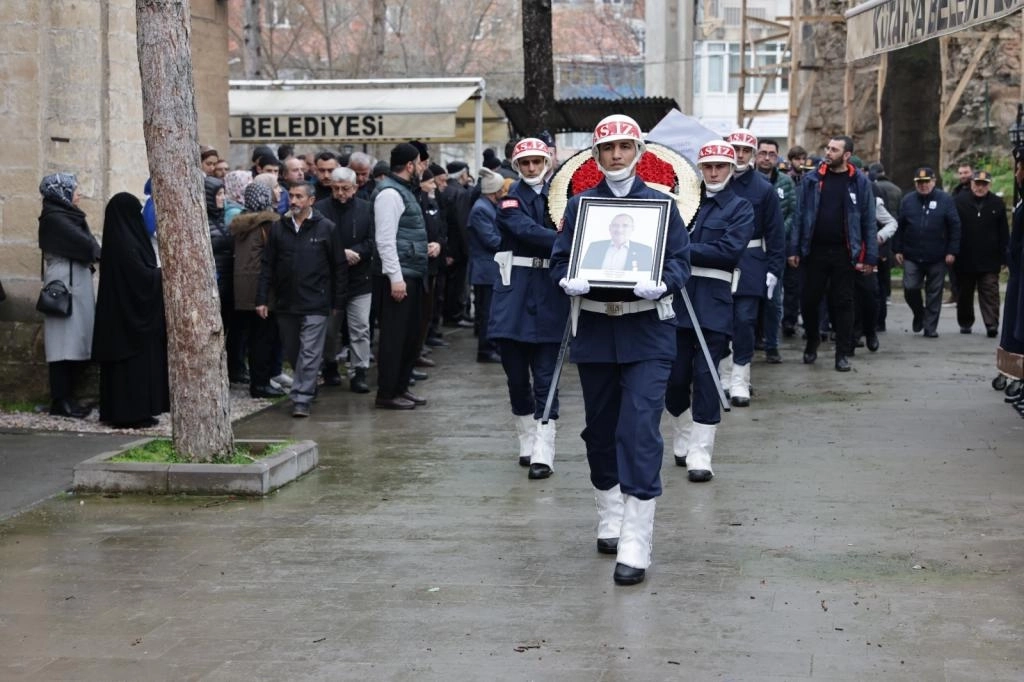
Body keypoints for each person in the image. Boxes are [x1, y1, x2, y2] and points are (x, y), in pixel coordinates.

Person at [550, 114, 690, 586]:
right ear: (595, 156)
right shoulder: (580, 207)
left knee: (640, 429)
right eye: (608, 149)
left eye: (625, 147)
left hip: (647, 331)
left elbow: (681, 261)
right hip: (595, 329)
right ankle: (610, 510)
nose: (616, 156)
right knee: (601, 431)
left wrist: (664, 282)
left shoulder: (662, 205)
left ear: (639, 152)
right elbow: (558, 260)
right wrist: (567, 279)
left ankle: (636, 537)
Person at [666, 140, 753, 482]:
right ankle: (683, 429)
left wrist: (681, 248)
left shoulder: (740, 207)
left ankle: (701, 451)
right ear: (700, 169)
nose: (714, 173)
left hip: (712, 304)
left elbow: (728, 250)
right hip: (676, 300)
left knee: (705, 377)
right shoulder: (684, 202)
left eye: (720, 167)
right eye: (708, 167)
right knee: (674, 379)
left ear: (731, 169)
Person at [490, 138, 568, 479]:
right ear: (516, 165)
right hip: (516, 293)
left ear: (547, 163)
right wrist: (569, 239)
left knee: (547, 376)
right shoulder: (509, 199)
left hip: (550, 291)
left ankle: (543, 447)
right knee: (516, 375)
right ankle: (526, 437)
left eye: (537, 161)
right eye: (525, 163)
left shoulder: (563, 198)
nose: (532, 168)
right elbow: (524, 229)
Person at [256, 181, 347, 417]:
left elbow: (338, 267)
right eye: (291, 196)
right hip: (286, 302)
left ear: (311, 201)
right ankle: (308, 384)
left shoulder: (326, 228)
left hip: (316, 301)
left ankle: (301, 398)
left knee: (310, 351)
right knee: (294, 351)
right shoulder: (279, 228)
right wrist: (262, 298)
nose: (294, 201)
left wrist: (338, 302)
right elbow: (267, 265)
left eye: (299, 196)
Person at [790, 135, 877, 371]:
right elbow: (799, 216)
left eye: (834, 150)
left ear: (847, 155)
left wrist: (869, 257)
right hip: (814, 251)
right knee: (809, 301)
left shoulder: (859, 182)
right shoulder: (812, 179)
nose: (828, 153)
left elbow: (868, 221)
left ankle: (842, 353)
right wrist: (794, 248)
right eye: (828, 148)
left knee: (844, 303)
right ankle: (812, 340)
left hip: (844, 252)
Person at [92, 192, 169, 428]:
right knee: (132, 368)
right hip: (129, 320)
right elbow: (139, 277)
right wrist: (164, 274)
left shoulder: (120, 239)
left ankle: (131, 411)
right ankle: (130, 414)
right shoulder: (125, 244)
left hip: (121, 319)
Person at [722, 128, 784, 406]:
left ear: (753, 154)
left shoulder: (763, 188)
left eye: (745, 150)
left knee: (745, 321)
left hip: (751, 261)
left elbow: (775, 232)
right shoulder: (714, 181)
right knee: (720, 322)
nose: (739, 155)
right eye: (735, 149)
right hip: (718, 261)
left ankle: (740, 379)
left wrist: (774, 270)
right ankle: (723, 376)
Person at [37, 173, 101, 418]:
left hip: (75, 281)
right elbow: (86, 246)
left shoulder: (66, 215)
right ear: (61, 192)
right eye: (74, 189)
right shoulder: (56, 218)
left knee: (75, 342)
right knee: (62, 345)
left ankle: (67, 399)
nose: (79, 193)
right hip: (65, 285)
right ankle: (60, 401)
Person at [372, 142, 430, 410]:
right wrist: (396, 278)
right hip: (398, 278)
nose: (421, 168)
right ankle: (387, 392)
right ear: (409, 165)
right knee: (394, 339)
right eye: (419, 163)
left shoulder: (404, 190)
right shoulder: (389, 194)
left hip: (412, 272)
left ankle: (401, 387)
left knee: (410, 337)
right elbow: (385, 240)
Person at [315, 167, 375, 393]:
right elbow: (317, 241)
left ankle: (359, 370)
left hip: (359, 278)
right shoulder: (321, 209)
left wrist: (356, 252)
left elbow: (373, 240)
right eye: (336, 188)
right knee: (330, 330)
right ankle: (330, 365)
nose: (340, 193)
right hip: (330, 280)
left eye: (345, 189)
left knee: (360, 327)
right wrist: (341, 254)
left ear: (355, 188)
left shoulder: (366, 209)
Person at [230, 182, 285, 399]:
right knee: (263, 338)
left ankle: (258, 380)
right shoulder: (267, 224)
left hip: (242, 289)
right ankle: (260, 384)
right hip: (262, 289)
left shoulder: (240, 225)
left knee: (252, 337)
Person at [893, 167, 961, 338]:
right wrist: (897, 249)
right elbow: (900, 226)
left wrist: (952, 251)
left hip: (937, 255)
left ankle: (930, 327)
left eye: (926, 182)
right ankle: (919, 313)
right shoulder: (908, 200)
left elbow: (955, 226)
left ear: (933, 181)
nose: (923, 185)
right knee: (910, 287)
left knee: (934, 292)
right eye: (919, 182)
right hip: (912, 254)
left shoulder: (945, 200)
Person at [754, 137, 795, 362]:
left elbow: (792, 213)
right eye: (763, 153)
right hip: (751, 247)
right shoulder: (747, 181)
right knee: (749, 299)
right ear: (756, 155)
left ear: (777, 157)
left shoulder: (786, 183)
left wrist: (776, 232)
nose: (767, 158)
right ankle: (751, 340)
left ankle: (772, 345)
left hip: (775, 248)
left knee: (773, 300)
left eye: (771, 154)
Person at [953, 170, 1008, 337]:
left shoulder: (997, 203)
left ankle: (992, 324)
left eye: (984, 184)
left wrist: (1004, 256)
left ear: (989, 185)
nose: (980, 187)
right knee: (964, 294)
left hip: (989, 259)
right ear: (971, 184)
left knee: (990, 292)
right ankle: (965, 322)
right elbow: (953, 228)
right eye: (977, 183)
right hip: (965, 257)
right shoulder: (959, 201)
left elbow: (1004, 232)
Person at [467, 167, 505, 363]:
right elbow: (490, 239)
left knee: (492, 311)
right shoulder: (481, 209)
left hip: (490, 269)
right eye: (501, 189)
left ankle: (492, 347)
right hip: (485, 270)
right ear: (493, 190)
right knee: (487, 312)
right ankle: (486, 350)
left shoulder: (487, 206)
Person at [867, 162, 903, 332]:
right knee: (881, 285)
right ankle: (880, 322)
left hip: (875, 242)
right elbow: (895, 218)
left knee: (874, 286)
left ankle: (873, 322)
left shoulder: (872, 189)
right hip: (884, 242)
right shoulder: (896, 189)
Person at [579, 213, 654, 271]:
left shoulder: (644, 251)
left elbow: (645, 278)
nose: (619, 230)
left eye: (625, 226)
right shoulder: (595, 247)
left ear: (632, 228)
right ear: (610, 228)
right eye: (615, 225)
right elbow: (585, 272)